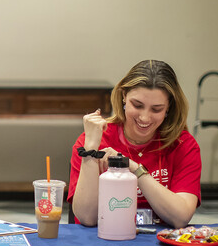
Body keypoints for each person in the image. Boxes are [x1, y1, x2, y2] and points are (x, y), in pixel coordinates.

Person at [68, 59, 201, 229]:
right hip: (105, 240)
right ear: (124, 96)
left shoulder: (183, 145)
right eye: (137, 105)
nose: (145, 118)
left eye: (156, 109)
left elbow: (181, 217)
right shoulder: (93, 141)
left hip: (160, 242)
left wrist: (133, 168)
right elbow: (87, 217)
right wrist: (90, 150)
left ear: (169, 107)